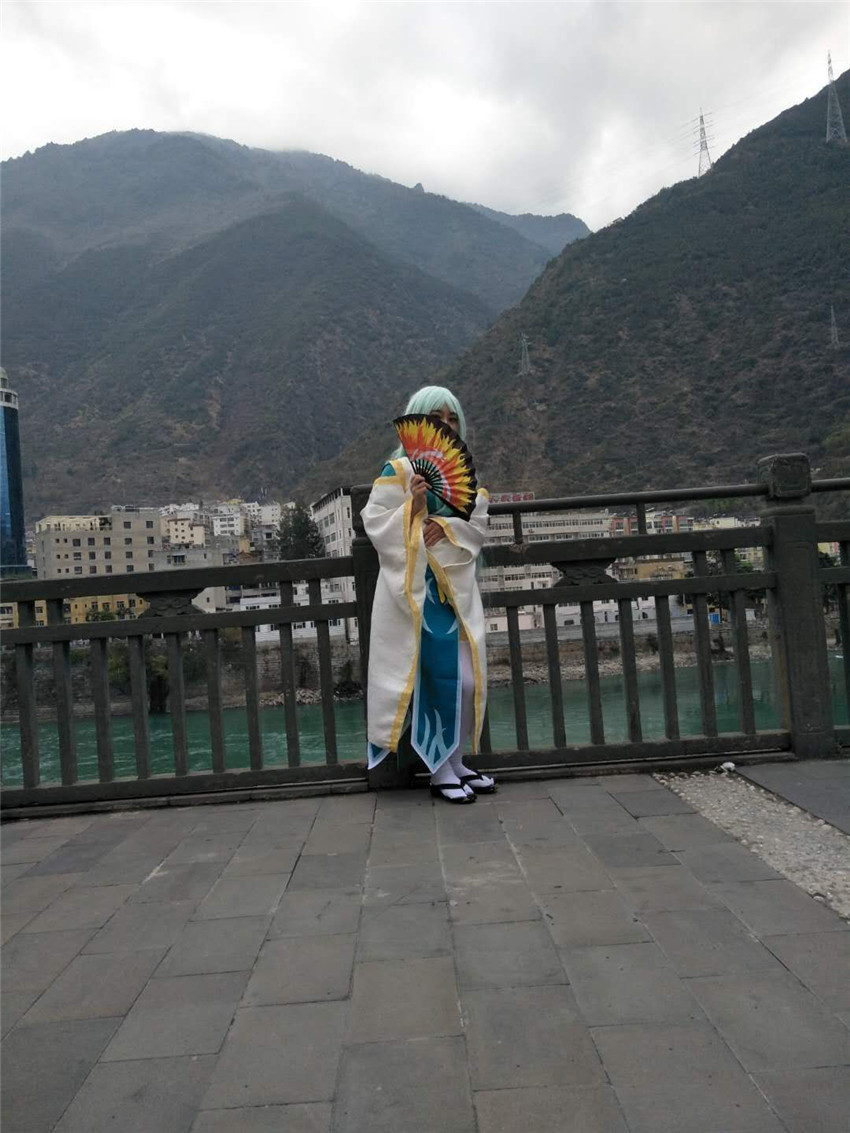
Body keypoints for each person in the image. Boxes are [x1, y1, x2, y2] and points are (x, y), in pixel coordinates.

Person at [361, 385, 496, 802]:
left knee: (467, 680)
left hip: (455, 589)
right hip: (415, 592)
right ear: (419, 420)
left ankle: (456, 761)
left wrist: (447, 526)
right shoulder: (399, 471)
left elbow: (476, 525)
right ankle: (439, 771)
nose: (446, 424)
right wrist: (415, 508)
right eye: (437, 416)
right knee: (434, 679)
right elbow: (376, 522)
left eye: (453, 417)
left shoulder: (466, 478)